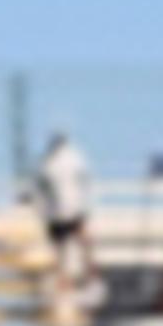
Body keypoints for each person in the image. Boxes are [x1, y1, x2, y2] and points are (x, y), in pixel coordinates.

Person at [29, 128, 97, 315]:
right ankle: (71, 280)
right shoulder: (56, 162)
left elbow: (85, 183)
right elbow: (40, 190)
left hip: (67, 211)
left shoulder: (54, 162)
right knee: (67, 247)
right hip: (64, 211)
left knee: (71, 246)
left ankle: (81, 278)